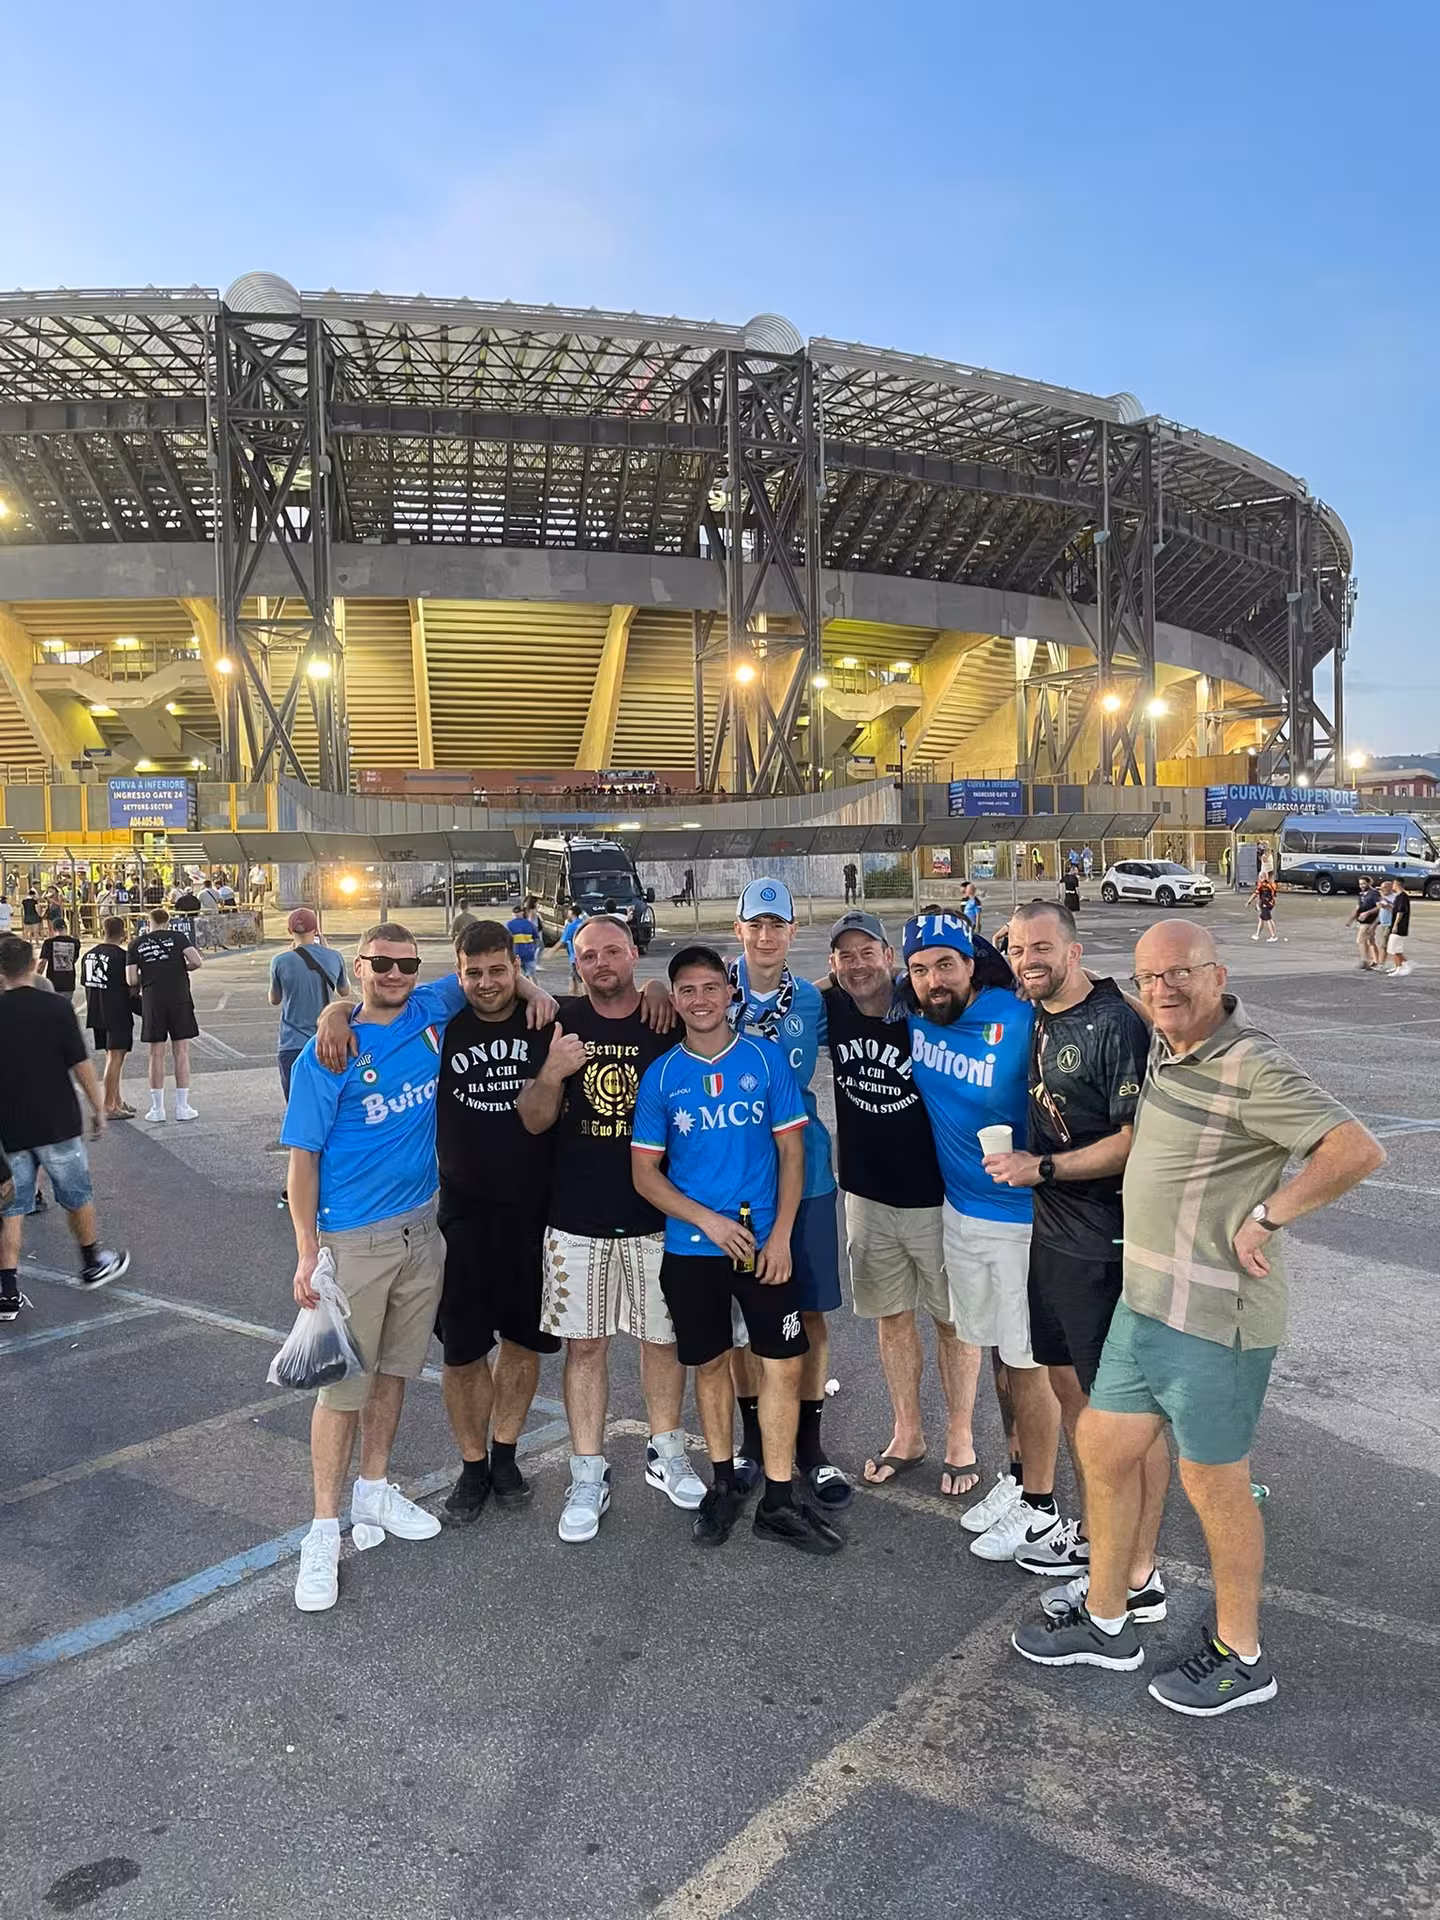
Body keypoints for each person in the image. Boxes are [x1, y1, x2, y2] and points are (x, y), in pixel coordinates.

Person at [1011, 920, 1384, 1714]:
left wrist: (1271, 1215)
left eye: (1182, 973)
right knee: (1105, 1452)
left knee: (1215, 1487)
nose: (1164, 989)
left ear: (1218, 976)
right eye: (1150, 978)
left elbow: (1354, 1149)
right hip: (1143, 1307)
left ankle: (1242, 1655)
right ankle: (1109, 1618)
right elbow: (1047, 976)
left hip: (1215, 1318)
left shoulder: (1253, 1061)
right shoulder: (1165, 1049)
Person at [980, 901, 1168, 1609]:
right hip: (1051, 1237)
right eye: (1018, 947)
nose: (1028, 958)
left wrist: (1044, 1169)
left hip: (1103, 1238)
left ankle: (1139, 1571)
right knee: (1071, 1392)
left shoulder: (1112, 1022)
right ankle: (1099, 1533)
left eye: (1042, 947)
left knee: (1124, 1412)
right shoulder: (1037, 1012)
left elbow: (1132, 1138)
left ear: (1075, 950)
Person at [282, 923, 470, 1611]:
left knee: (395, 1371)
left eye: (407, 964)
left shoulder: (429, 1009)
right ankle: (322, 1529)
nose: (395, 974)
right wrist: (307, 1251)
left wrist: (536, 989)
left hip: (422, 1228)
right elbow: (302, 1158)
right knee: (341, 1392)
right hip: (352, 1240)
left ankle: (374, 1491)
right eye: (382, 964)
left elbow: (498, 974)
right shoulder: (328, 1051)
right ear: (357, 967)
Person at [632, 945, 843, 1556]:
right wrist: (709, 1223)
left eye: (710, 989)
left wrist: (779, 1236)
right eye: (687, 992)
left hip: (762, 1243)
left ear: (729, 994)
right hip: (694, 1247)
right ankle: (723, 1483)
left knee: (781, 1361)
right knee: (712, 1363)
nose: (700, 1000)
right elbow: (646, 1174)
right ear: (674, 1002)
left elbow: (792, 1154)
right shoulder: (663, 1075)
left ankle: (779, 1497)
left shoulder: (764, 1058)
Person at [527, 915, 703, 1541]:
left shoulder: (666, 1019)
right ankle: (587, 1470)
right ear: (576, 964)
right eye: (587, 956)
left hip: (659, 1215)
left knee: (663, 1341)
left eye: (612, 952)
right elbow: (534, 1120)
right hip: (576, 1216)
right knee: (586, 1347)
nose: (601, 963)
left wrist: (660, 988)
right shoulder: (557, 1023)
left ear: (634, 954)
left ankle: (667, 1451)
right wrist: (551, 1073)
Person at [902, 911, 1060, 1550]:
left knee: (1031, 1364)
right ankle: (1021, 1478)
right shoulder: (913, 1011)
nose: (933, 979)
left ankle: (1045, 1506)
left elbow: (1099, 1015)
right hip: (960, 1214)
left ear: (972, 964)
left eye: (946, 964)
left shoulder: (1019, 1015)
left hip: (1022, 1221)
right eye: (919, 968)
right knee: (999, 1354)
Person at [822, 910, 978, 1497]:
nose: (859, 964)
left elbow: (985, 973)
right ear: (833, 965)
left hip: (938, 1196)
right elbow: (763, 993)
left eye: (869, 952)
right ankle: (907, 1432)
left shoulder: (927, 1005)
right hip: (865, 1194)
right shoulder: (831, 1006)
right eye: (845, 955)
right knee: (891, 1317)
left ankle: (960, 1437)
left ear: (890, 957)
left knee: (952, 1321)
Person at [433, 921, 564, 1524]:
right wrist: (335, 1013)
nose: (487, 983)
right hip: (460, 1215)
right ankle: (471, 1464)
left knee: (522, 1341)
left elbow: (538, 1122)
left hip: (531, 1213)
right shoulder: (440, 1027)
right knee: (462, 1353)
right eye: (474, 972)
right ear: (459, 975)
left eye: (498, 969)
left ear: (516, 966)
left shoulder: (544, 1024)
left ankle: (505, 1452)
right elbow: (367, 1005)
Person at [728, 879, 850, 1509]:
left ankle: (810, 1446)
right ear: (740, 929)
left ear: (793, 932)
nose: (767, 936)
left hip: (809, 1175)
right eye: (757, 924)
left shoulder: (814, 1001)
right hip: (735, 1180)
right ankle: (753, 1441)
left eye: (778, 925)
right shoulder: (712, 994)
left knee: (809, 1311)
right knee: (746, 1319)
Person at [0, 935, 129, 1320]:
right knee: (76, 1194)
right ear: (35, 963)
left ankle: (6, 1290)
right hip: (56, 1121)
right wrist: (99, 1107)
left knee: (11, 1208)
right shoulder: (56, 1008)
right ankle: (92, 1260)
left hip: (9, 1128)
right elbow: (81, 1064)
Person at [126, 907, 203, 1123]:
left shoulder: (136, 944)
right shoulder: (178, 937)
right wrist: (182, 967)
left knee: (155, 1053)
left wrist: (149, 972)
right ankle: (182, 1106)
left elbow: (131, 979)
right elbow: (197, 961)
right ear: (167, 921)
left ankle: (157, 1109)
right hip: (179, 997)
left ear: (148, 922)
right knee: (181, 1051)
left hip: (152, 999)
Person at [268, 909, 350, 1101]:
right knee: (328, 1103)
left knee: (297, 1104)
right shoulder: (335, 956)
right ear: (316, 930)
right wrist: (326, 951)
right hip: (326, 1042)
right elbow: (344, 991)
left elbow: (274, 999)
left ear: (290, 931)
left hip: (292, 1043)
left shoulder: (280, 961)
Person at [82, 916, 140, 1118]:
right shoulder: (121, 957)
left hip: (97, 1011)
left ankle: (117, 1100)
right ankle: (109, 1106)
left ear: (103, 930)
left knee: (112, 1056)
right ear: (123, 933)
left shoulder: (88, 955)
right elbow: (131, 988)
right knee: (116, 1057)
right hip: (117, 1012)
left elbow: (86, 983)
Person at [38, 919, 81, 1000]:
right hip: (69, 982)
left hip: (53, 982)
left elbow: (42, 963)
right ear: (66, 928)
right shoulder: (75, 943)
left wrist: (36, 978)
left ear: (53, 929)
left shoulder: (48, 943)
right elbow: (74, 960)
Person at [1347, 876, 1381, 968]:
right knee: (1371, 941)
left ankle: (1365, 961)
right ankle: (1376, 961)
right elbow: (1358, 908)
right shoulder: (1362, 894)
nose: (1361, 885)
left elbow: (1379, 907)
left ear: (1369, 883)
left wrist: (1367, 913)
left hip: (1369, 921)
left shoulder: (1374, 893)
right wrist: (1351, 919)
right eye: (1360, 884)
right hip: (1361, 921)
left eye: (1363, 884)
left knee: (1361, 940)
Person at [505, 895, 543, 978]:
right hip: (528, 954)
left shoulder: (508, 925)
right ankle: (535, 990)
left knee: (515, 976)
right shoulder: (529, 924)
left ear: (513, 914)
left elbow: (504, 940)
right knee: (532, 977)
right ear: (522, 913)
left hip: (514, 954)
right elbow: (536, 939)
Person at [1381, 879, 1412, 978]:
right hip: (1394, 925)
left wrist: (1395, 924)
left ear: (1397, 884)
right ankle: (1400, 965)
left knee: (1396, 948)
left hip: (1400, 926)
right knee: (1392, 947)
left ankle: (1400, 967)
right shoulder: (1398, 897)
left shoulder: (1403, 897)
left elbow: (1400, 912)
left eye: (1393, 884)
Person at [1248, 868, 1279, 943]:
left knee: (1268, 920)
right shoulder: (1271, 884)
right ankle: (1257, 934)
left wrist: (1249, 901)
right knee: (1264, 919)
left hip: (1266, 904)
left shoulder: (1263, 885)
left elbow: (1256, 894)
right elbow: (1274, 894)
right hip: (1271, 903)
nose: (1259, 879)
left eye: (1260, 877)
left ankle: (1273, 936)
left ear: (1264, 877)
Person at [560, 905, 587, 990]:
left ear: (572, 913)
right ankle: (573, 996)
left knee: (581, 980)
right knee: (572, 977)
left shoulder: (572, 926)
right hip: (583, 954)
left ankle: (585, 998)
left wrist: (551, 951)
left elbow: (562, 941)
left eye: (569, 911)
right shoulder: (583, 923)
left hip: (574, 957)